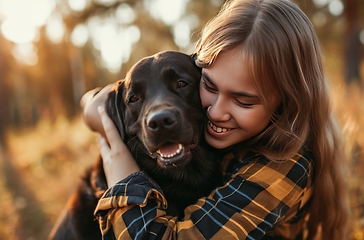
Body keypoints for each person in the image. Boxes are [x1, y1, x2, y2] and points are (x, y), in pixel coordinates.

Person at [81, 0, 350, 239]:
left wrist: (124, 179)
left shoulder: (285, 165)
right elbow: (94, 103)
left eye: (243, 100)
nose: (216, 112)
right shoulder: (226, 127)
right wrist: (98, 114)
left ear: (286, 103)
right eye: (209, 86)